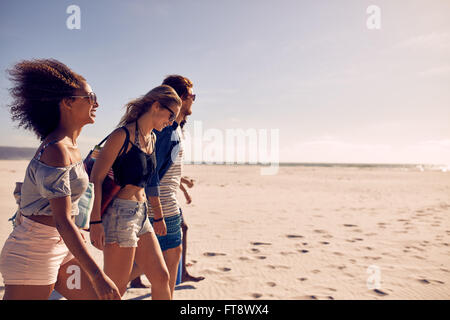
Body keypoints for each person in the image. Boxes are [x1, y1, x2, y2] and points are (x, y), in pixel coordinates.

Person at [0, 59, 121, 300]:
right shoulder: (56, 150)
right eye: (90, 96)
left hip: (62, 245)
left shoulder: (71, 147)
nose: (96, 103)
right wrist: (98, 275)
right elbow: (62, 219)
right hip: (34, 250)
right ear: (67, 102)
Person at [89, 85, 181, 299]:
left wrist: (157, 215)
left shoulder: (153, 138)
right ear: (156, 106)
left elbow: (151, 180)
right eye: (170, 116)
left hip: (142, 214)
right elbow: (96, 178)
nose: (171, 122)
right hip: (119, 215)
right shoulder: (122, 136)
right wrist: (95, 222)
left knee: (161, 277)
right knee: (116, 289)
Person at [129, 75, 196, 296]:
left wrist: (182, 181)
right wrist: (158, 212)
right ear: (182, 98)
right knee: (164, 267)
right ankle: (105, 280)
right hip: (163, 206)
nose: (193, 100)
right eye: (192, 96)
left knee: (162, 268)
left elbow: (163, 167)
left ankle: (109, 279)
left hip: (163, 204)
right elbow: (151, 171)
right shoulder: (168, 129)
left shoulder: (172, 128)